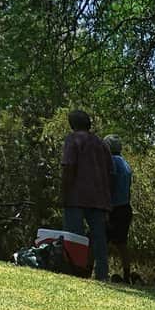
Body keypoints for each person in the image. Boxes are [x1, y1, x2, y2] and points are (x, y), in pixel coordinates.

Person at [61, 110, 112, 281]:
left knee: (74, 235)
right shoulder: (102, 144)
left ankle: (74, 271)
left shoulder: (73, 139)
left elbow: (69, 166)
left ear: (72, 124)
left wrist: (64, 192)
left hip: (76, 195)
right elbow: (110, 172)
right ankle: (102, 274)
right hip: (99, 197)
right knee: (99, 240)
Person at [103, 135, 133, 283]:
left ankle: (90, 269)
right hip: (125, 207)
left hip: (114, 208)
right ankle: (127, 275)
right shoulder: (126, 164)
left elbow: (111, 184)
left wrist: (107, 209)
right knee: (122, 243)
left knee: (99, 239)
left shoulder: (112, 162)